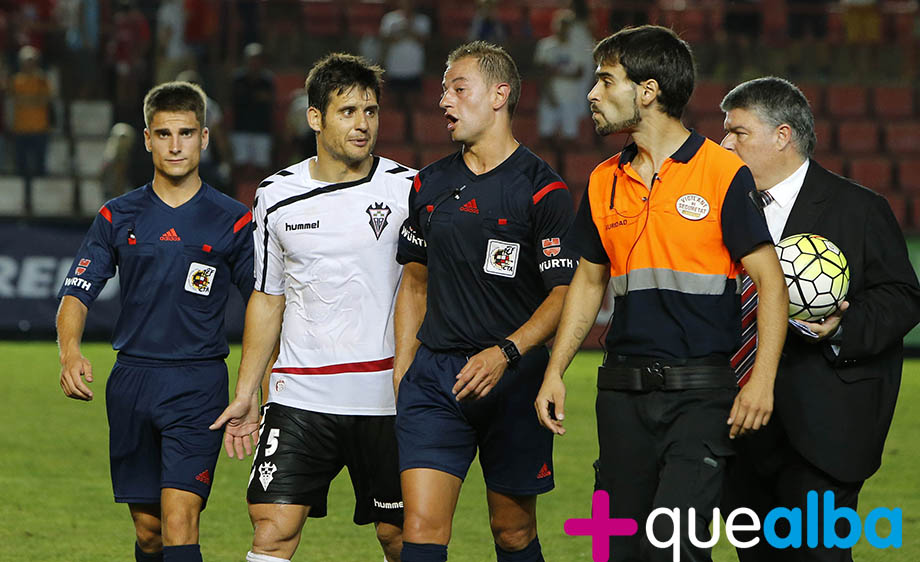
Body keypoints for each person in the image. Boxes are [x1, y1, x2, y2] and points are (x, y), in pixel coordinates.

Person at [534, 26, 788, 562]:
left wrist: (761, 382)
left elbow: (770, 281)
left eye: (606, 80)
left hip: (701, 396)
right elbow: (589, 281)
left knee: (675, 550)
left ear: (647, 91)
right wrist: (555, 370)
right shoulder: (602, 179)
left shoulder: (723, 172)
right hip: (620, 395)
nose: (592, 93)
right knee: (618, 552)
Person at [209, 53, 414, 562]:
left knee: (399, 537)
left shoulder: (410, 189)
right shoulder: (276, 195)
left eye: (370, 111)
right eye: (348, 111)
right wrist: (247, 392)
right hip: (300, 395)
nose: (363, 124)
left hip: (386, 398)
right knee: (272, 530)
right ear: (315, 117)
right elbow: (267, 296)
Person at [718, 76, 920, 562]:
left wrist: (841, 328)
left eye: (738, 132)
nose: (724, 144)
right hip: (740, 424)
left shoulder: (859, 208)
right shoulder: (723, 209)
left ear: (782, 136)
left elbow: (902, 297)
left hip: (825, 426)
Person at [56, 81, 254, 562]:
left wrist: (257, 384)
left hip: (198, 383)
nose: (175, 145)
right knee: (150, 533)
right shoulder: (116, 215)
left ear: (204, 138)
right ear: (147, 139)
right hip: (133, 383)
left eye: (186, 133)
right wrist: (70, 352)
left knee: (180, 520)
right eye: (163, 134)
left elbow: (264, 305)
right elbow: (76, 292)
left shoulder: (233, 220)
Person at [394, 41, 577, 562]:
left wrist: (506, 352)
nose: (443, 101)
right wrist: (405, 368)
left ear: (499, 95)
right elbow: (414, 282)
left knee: (512, 531)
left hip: (513, 378)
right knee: (421, 528)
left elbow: (563, 294)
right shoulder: (428, 184)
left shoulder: (543, 191)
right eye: (443, 90)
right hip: (437, 379)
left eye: (458, 88)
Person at [533, 9, 591, 147]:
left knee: (570, 138)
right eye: (561, 24)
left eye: (567, 25)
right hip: (550, 93)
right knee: (545, 137)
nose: (564, 28)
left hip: (571, 95)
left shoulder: (577, 48)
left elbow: (579, 73)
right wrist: (551, 83)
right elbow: (541, 72)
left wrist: (554, 72)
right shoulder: (545, 46)